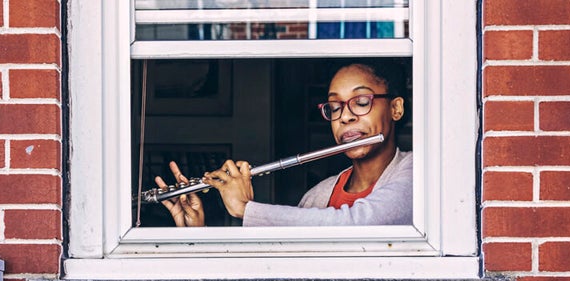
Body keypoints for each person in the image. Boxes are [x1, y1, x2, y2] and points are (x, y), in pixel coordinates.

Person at [154, 60, 412, 227]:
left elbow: (361, 223)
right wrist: (195, 235)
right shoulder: (317, 197)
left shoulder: (416, 173)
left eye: (362, 102)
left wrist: (246, 209)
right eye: (334, 106)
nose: (345, 116)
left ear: (395, 108)